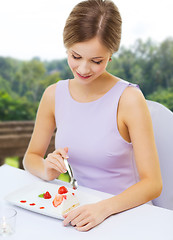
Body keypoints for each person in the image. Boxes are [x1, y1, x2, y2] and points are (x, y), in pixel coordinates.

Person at [23, 0, 162, 232]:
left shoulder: (129, 99)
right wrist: (46, 169)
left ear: (111, 55)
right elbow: (31, 157)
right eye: (76, 56)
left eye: (96, 61)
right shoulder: (54, 95)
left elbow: (153, 184)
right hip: (80, 211)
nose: (84, 69)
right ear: (66, 47)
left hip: (127, 214)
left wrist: (104, 208)